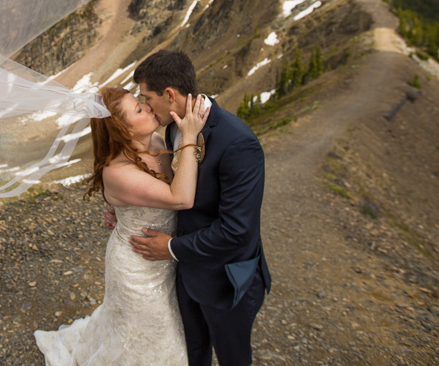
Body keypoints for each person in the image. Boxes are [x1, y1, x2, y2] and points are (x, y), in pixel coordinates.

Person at [34, 86, 210, 366]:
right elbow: (181, 197)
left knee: (160, 328)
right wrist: (189, 136)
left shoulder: (154, 140)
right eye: (139, 110)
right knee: (148, 333)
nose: (149, 107)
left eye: (142, 103)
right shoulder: (117, 172)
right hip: (136, 268)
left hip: (164, 258)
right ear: (123, 130)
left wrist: (123, 212)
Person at [127, 49, 271, 366]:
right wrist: (127, 205)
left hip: (226, 283)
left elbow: (237, 231)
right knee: (192, 355)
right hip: (185, 275)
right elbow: (171, 188)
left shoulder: (238, 142)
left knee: (233, 359)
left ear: (170, 94)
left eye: (146, 97)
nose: (146, 106)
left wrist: (174, 248)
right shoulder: (174, 128)